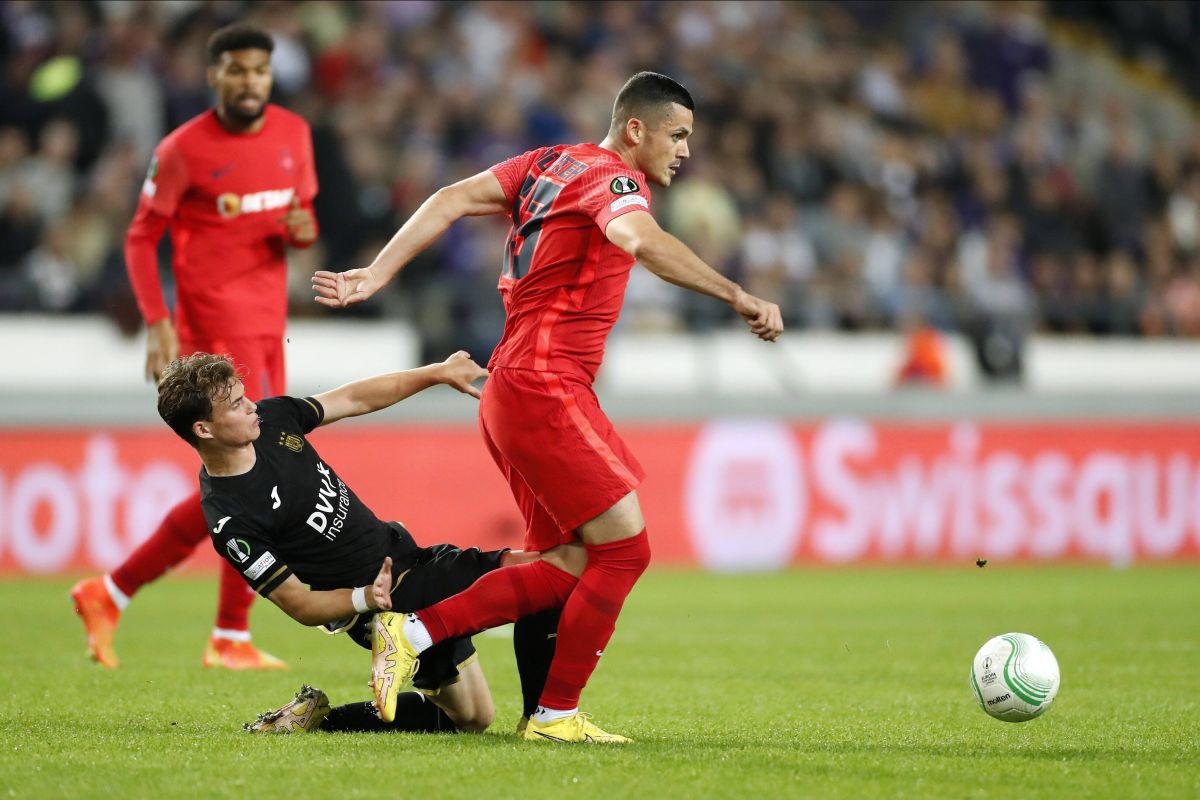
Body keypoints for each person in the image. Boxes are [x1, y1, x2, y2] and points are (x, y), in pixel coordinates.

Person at [312, 71, 784, 743]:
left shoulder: (546, 164)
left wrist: (378, 271)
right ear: (636, 130)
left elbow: (449, 198)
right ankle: (555, 713)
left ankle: (412, 633)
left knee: (564, 566)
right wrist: (738, 295)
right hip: (545, 385)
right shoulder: (613, 178)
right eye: (677, 136)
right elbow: (642, 242)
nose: (685, 151)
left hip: (510, 386)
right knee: (625, 553)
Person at [156, 349, 586, 733]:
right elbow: (300, 605)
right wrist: (366, 597)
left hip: (409, 557)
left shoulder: (271, 421)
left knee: (473, 717)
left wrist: (434, 373)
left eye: (244, 395)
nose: (251, 405)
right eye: (235, 405)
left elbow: (353, 398)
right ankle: (544, 721)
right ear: (204, 430)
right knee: (553, 574)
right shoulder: (231, 520)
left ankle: (321, 718)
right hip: (382, 606)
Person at [70, 24, 319, 670]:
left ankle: (117, 592)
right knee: (252, 474)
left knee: (236, 480)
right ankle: (223, 632)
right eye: (235, 70)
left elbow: (301, 222)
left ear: (270, 75)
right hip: (213, 331)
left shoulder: (295, 134)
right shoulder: (184, 149)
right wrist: (159, 322)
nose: (248, 81)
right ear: (214, 75)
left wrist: (303, 228)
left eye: (258, 71)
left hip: (268, 326)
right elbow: (139, 237)